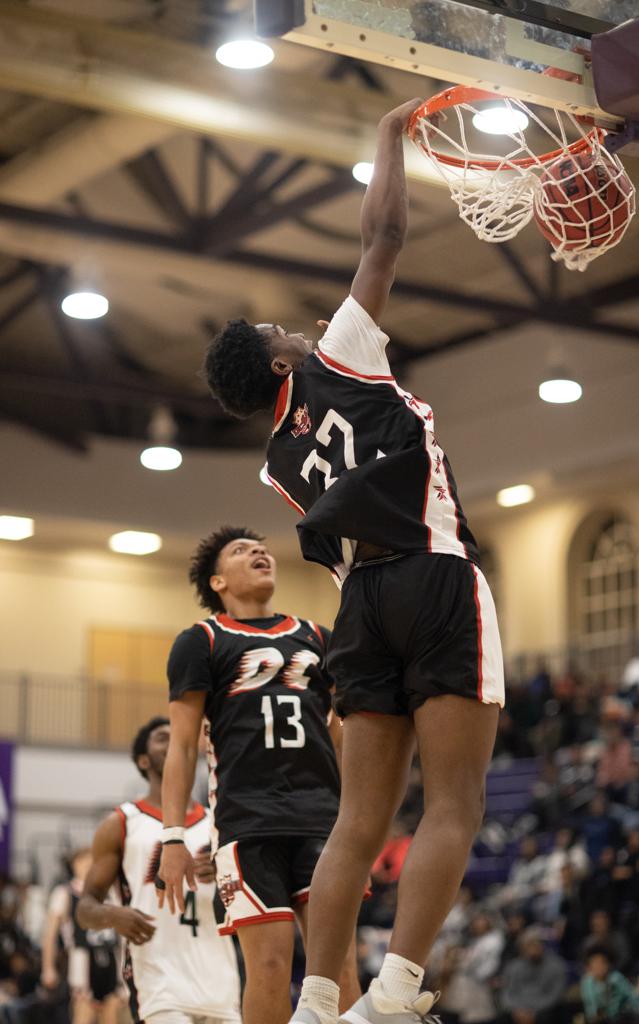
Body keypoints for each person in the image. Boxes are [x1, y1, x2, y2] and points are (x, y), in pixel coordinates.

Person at [200, 97, 505, 1024]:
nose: (289, 328)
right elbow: (383, 235)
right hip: (434, 573)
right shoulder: (338, 350)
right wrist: (387, 131)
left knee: (357, 822)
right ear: (277, 353)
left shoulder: (276, 461)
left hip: (361, 607)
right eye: (274, 331)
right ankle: (395, 995)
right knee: (454, 804)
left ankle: (320, 1002)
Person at [158, 527, 359, 1024]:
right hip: (247, 823)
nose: (260, 552)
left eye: (262, 548)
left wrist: (360, 812)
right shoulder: (201, 641)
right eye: (242, 551)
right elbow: (182, 746)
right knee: (269, 967)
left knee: (338, 969)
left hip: (323, 820)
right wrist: (173, 837)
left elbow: (343, 732)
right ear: (218, 581)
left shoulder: (316, 637)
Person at [77, 717, 241, 1024]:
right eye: (162, 738)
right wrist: (113, 915)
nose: (174, 741)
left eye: (178, 737)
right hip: (158, 980)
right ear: (143, 760)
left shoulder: (218, 822)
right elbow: (84, 908)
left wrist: (225, 877)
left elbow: (245, 899)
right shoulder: (122, 822)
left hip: (220, 978)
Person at [42, 848, 121, 1024]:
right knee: (83, 1014)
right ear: (74, 864)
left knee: (112, 1015)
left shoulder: (110, 892)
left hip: (110, 959)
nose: (88, 865)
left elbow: (121, 931)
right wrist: (48, 967)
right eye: (83, 861)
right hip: (81, 959)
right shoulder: (65, 892)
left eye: (92, 861)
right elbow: (50, 935)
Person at [497, 928, 567, 1024]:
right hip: (517, 1010)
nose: (533, 949)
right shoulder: (513, 967)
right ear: (522, 948)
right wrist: (517, 1011)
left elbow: (556, 995)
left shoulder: (557, 965)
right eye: (529, 945)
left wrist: (533, 1012)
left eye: (536, 944)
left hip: (544, 1010)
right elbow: (507, 993)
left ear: (543, 946)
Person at [580, 945, 639, 1023]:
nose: (599, 966)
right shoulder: (587, 983)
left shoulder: (616, 978)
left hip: (620, 1017)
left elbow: (632, 996)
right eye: (595, 963)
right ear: (589, 966)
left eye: (602, 962)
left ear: (608, 964)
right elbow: (590, 1008)